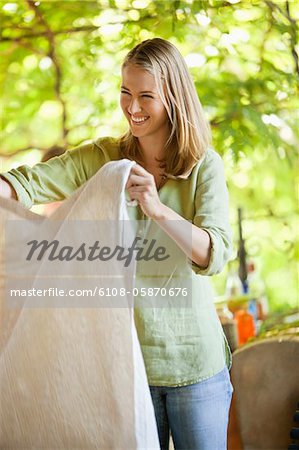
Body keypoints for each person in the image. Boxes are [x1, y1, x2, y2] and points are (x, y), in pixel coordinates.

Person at [0, 38, 233, 449]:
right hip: (129, 372)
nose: (133, 108)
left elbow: (213, 255)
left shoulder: (204, 166)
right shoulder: (106, 159)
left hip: (196, 367)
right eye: (126, 93)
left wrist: (156, 208)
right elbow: (30, 182)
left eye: (146, 96)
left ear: (174, 98)